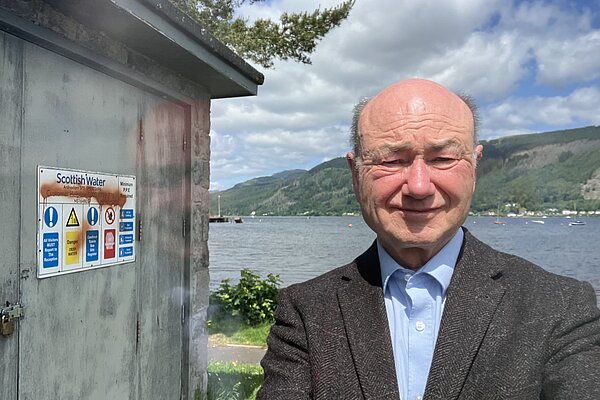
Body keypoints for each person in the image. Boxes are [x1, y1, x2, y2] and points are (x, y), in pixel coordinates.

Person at [256, 78, 600, 400]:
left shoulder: (561, 306)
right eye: (392, 160)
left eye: (443, 159)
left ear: (475, 167)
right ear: (355, 173)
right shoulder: (305, 310)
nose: (419, 186)